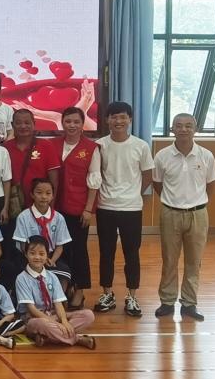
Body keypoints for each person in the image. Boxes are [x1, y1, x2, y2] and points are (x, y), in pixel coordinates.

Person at [153, 112, 215, 321]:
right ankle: (167, 301)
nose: (183, 129)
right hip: (170, 213)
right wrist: (173, 202)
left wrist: (198, 202)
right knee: (169, 260)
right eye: (179, 125)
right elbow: (157, 183)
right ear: (172, 129)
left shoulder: (206, 155)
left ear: (195, 129)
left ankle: (189, 304)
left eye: (188, 126)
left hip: (198, 214)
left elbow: (211, 184)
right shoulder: (162, 156)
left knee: (194, 261)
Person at [94, 101, 154, 317]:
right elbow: (95, 175)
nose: (118, 121)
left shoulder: (141, 146)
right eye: (114, 117)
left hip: (131, 208)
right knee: (106, 253)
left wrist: (134, 193)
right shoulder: (99, 145)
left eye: (123, 117)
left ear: (130, 120)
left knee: (132, 253)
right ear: (107, 120)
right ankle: (107, 294)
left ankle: (132, 296)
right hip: (105, 206)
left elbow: (148, 174)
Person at [47, 106, 101, 309]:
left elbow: (94, 180)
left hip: (78, 209)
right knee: (60, 250)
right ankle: (63, 288)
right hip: (55, 208)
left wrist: (88, 209)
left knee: (79, 250)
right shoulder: (52, 144)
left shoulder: (91, 148)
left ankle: (79, 290)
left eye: (76, 122)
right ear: (62, 122)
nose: (72, 125)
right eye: (68, 121)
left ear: (82, 124)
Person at [16, 236, 96, 348]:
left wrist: (64, 321)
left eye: (41, 254)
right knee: (44, 324)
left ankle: (48, 337)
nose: (37, 257)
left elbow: (58, 304)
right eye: (32, 253)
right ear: (26, 254)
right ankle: (77, 339)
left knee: (88, 315)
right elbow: (32, 309)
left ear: (47, 255)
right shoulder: (21, 278)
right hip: (33, 319)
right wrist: (55, 323)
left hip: (52, 315)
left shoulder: (52, 277)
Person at [11, 178, 72, 290]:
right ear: (32, 194)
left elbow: (60, 245)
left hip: (51, 257)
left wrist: (52, 260)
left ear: (52, 196)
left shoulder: (58, 218)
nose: (44, 196)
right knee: (22, 273)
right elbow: (22, 244)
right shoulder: (23, 217)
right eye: (39, 193)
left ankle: (59, 298)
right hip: (29, 256)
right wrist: (35, 258)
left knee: (65, 273)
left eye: (48, 193)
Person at [4, 108, 55, 223]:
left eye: (27, 122)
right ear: (12, 124)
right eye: (18, 123)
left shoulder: (46, 146)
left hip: (40, 205)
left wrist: (51, 205)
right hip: (14, 206)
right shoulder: (5, 148)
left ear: (34, 124)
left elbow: (54, 179)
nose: (23, 126)